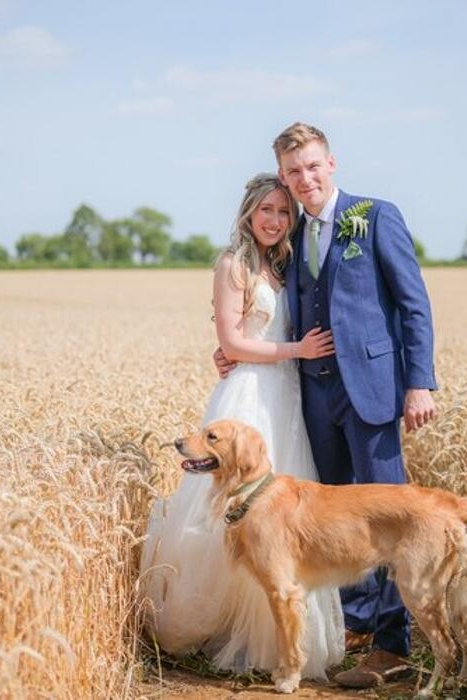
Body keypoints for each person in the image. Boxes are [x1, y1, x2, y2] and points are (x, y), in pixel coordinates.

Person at [214, 123, 437, 689]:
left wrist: (420, 383)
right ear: (285, 179)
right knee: (335, 519)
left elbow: (414, 304)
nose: (304, 178)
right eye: (293, 172)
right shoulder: (288, 244)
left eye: (312, 166)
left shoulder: (374, 215)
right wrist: (230, 349)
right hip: (310, 397)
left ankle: (394, 647)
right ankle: (357, 630)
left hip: (374, 390)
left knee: (386, 511)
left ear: (331, 164)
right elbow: (261, 304)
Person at [140, 174, 345, 680]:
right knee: (233, 512)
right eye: (266, 210)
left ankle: (280, 642)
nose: (275, 220)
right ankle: (225, 631)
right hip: (250, 395)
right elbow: (232, 344)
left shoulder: (283, 265)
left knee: (284, 524)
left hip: (287, 396)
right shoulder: (233, 265)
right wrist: (295, 350)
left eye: (283, 211)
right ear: (248, 214)